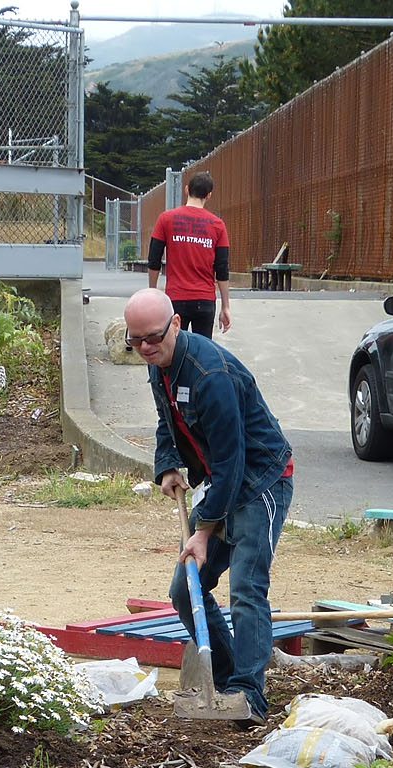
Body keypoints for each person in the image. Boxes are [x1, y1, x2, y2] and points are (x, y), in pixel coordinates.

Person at [125, 287, 293, 722]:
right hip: (221, 481)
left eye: (153, 337)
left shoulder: (209, 375)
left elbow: (233, 460)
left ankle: (249, 696)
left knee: (246, 586)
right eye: (136, 340)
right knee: (185, 591)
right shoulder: (160, 364)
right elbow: (168, 420)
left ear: (176, 325)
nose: (146, 347)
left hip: (260, 480)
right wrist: (167, 464)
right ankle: (227, 678)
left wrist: (203, 532)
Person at [147, 172, 231, 338]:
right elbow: (222, 268)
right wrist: (225, 306)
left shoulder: (166, 219)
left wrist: (152, 292)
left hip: (176, 298)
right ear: (209, 195)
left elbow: (154, 259)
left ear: (187, 189)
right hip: (205, 300)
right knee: (202, 349)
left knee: (175, 348)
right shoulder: (218, 225)